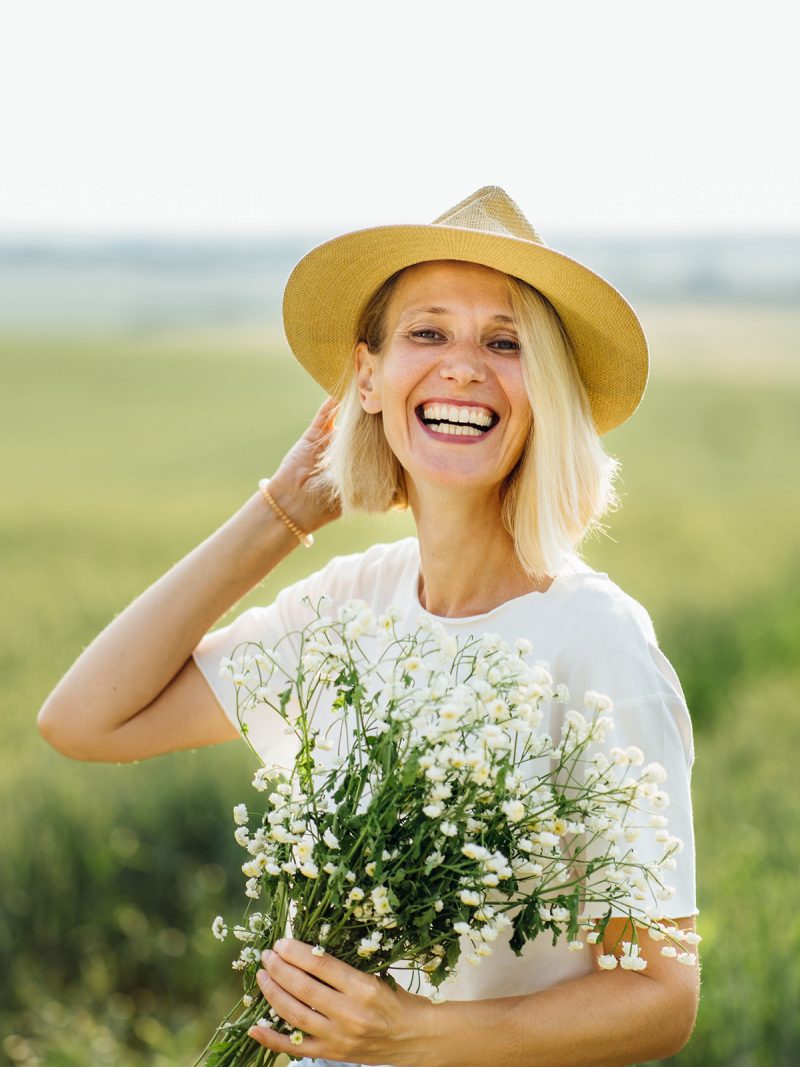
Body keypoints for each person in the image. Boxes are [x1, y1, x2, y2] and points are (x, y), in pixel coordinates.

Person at [38, 186, 700, 1067]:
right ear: (368, 376)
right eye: (428, 333)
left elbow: (661, 996)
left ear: (545, 390)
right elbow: (84, 719)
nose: (464, 366)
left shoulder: (601, 642)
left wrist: (417, 1037)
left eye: (505, 343)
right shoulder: (350, 607)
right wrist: (281, 512)